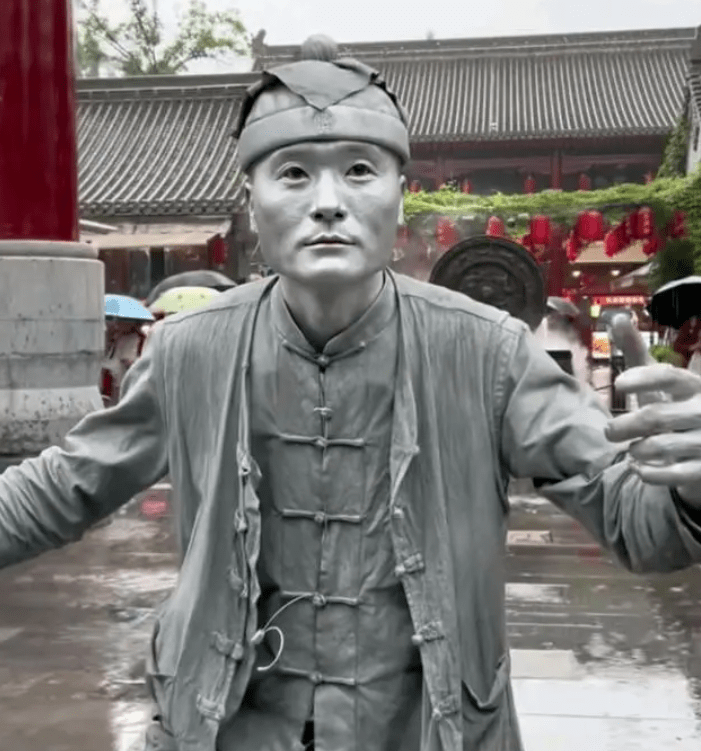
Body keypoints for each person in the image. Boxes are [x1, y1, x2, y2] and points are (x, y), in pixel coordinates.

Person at [2, 35, 701, 751]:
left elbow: (640, 524)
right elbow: (64, 486)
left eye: (360, 170)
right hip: (229, 729)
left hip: (424, 730)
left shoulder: (487, 352)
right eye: (294, 174)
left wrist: (689, 482)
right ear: (251, 201)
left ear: (400, 194)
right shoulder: (191, 351)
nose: (329, 203)